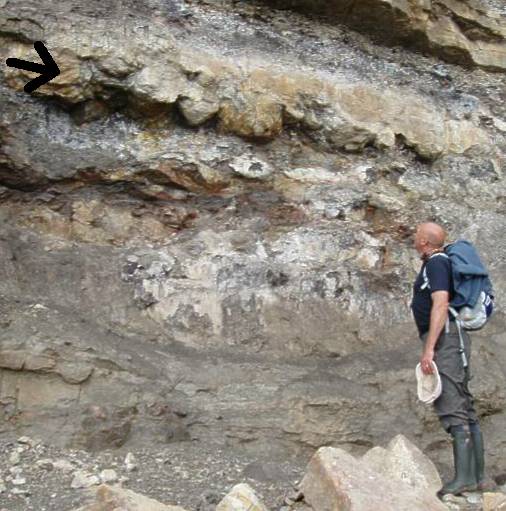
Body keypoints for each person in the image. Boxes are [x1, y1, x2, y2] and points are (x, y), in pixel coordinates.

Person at [410, 222, 495, 498]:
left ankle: (464, 479)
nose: (414, 237)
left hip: (446, 340)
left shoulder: (436, 263)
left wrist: (429, 349)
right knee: (462, 403)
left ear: (424, 241)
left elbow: (441, 303)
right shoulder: (438, 263)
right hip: (450, 338)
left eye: (417, 234)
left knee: (452, 403)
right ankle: (476, 478)